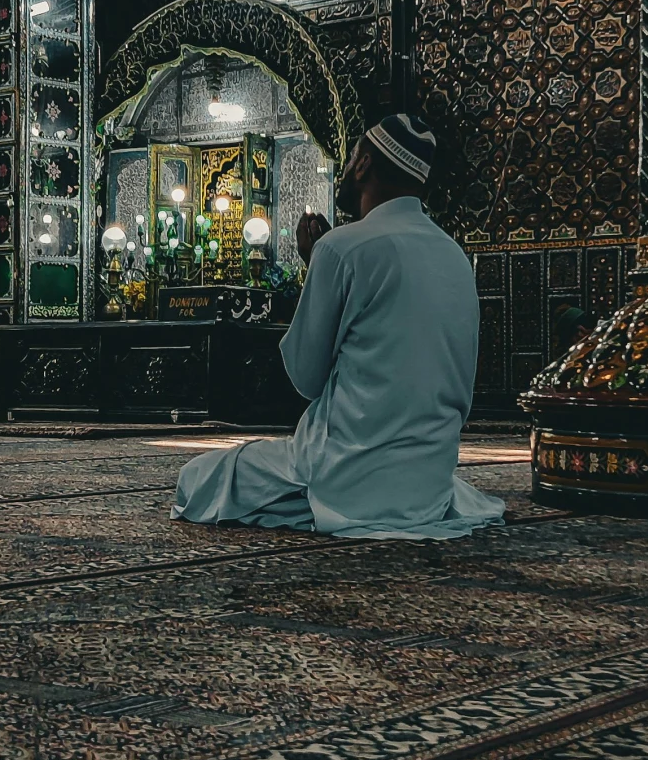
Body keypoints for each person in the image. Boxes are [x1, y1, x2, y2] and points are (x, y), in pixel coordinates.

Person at [172, 113, 505, 539]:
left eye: (349, 160)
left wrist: (318, 266)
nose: (345, 170)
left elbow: (306, 379)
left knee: (199, 477)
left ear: (364, 164)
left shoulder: (339, 248)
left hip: (345, 468)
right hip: (428, 478)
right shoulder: (455, 256)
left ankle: (322, 502)